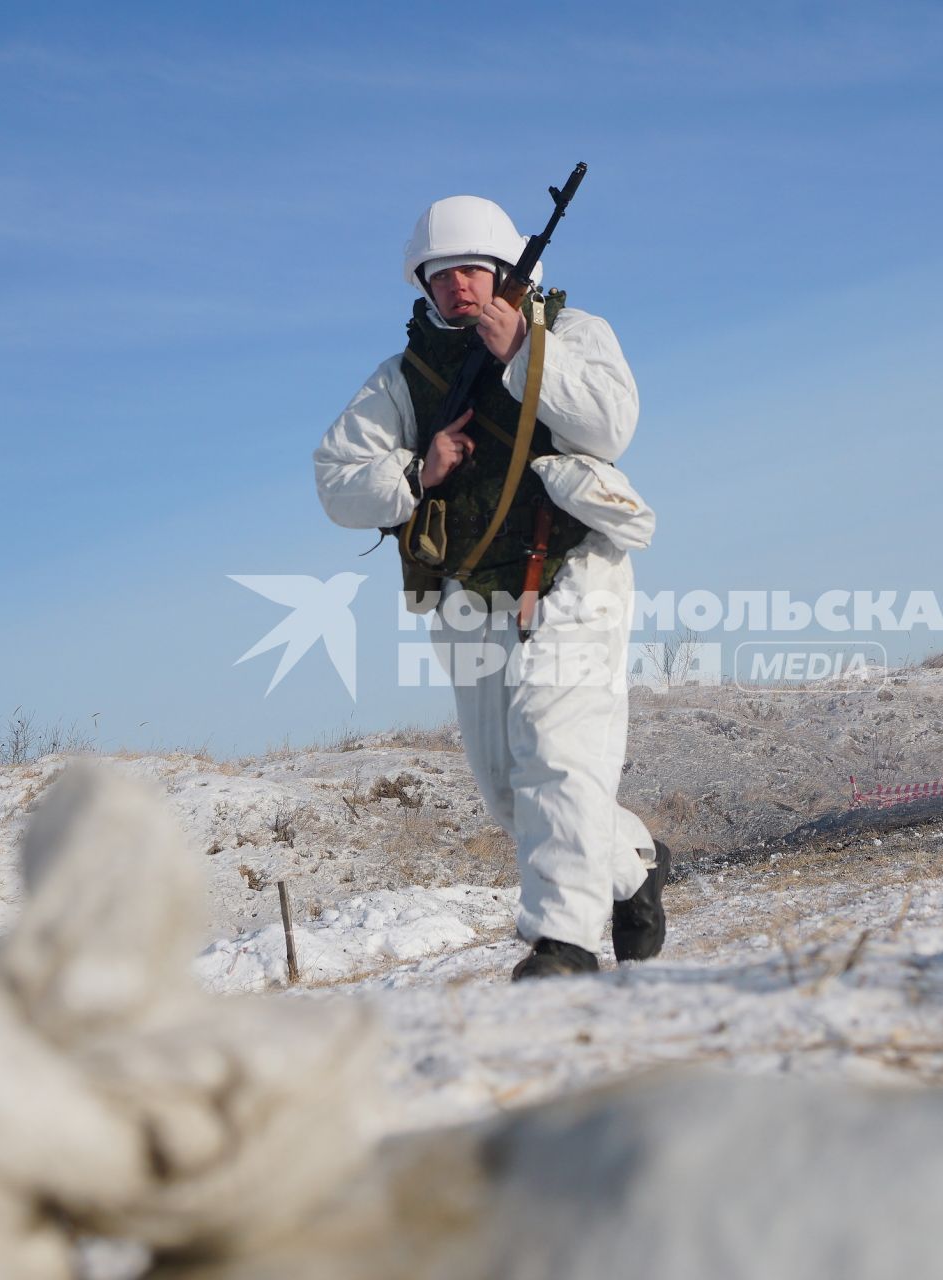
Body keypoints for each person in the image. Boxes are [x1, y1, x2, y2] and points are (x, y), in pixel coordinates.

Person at [313, 193, 667, 980]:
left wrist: (523, 361)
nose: (459, 288)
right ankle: (635, 866)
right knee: (512, 791)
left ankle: (563, 942)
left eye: (473, 270)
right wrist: (415, 469)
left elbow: (610, 426)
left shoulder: (570, 335)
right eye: (442, 276)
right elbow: (334, 480)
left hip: (574, 567)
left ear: (508, 272)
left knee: (554, 739)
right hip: (470, 590)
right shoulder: (402, 379)